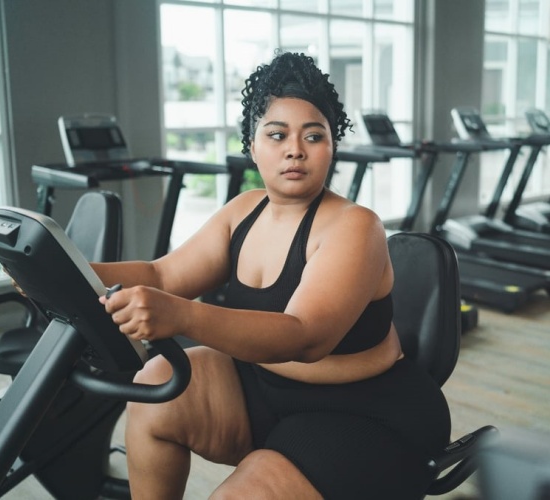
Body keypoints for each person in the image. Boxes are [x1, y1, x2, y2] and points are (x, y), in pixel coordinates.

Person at [93, 51, 451, 499]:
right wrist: (63, 268)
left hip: (367, 417)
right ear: (252, 145)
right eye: (276, 134)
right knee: (155, 385)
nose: (294, 149)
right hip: (267, 393)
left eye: (314, 136)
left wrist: (183, 317)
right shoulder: (242, 211)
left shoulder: (356, 226)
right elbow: (158, 274)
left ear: (332, 146)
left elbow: (305, 335)